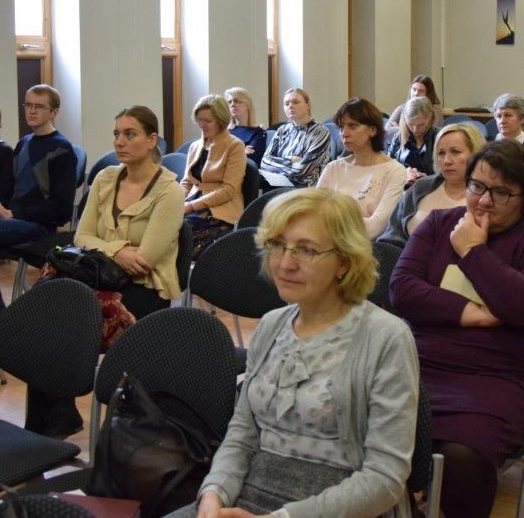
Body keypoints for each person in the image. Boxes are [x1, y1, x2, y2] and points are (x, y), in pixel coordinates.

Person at [180, 188, 419, 518]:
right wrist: (214, 494)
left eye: (307, 250)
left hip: (342, 507)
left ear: (344, 261)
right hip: (249, 492)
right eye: (278, 245)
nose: (285, 263)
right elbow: (242, 436)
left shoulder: (386, 338)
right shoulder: (272, 326)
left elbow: (385, 479)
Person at [390, 141, 524, 518]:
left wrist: (472, 251)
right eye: (477, 186)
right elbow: (402, 289)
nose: (484, 201)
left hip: (506, 378)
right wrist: (469, 313)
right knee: (367, 426)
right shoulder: (439, 224)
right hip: (421, 366)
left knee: (461, 456)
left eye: (501, 192)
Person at [29, 106, 184, 438]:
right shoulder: (105, 179)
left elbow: (144, 260)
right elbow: (81, 236)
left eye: (130, 134)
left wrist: (107, 247)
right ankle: (51, 420)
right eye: (116, 134)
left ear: (152, 140)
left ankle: (63, 416)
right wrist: (118, 250)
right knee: (48, 311)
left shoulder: (170, 191)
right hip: (97, 276)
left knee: (68, 317)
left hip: (143, 287)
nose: (119, 142)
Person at [0, 85, 77, 318]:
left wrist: (14, 214)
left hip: (39, 226)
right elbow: (10, 190)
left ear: (54, 112)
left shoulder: (62, 149)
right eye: (28, 105)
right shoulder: (24, 143)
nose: (32, 111)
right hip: (13, 218)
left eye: (39, 106)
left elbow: (61, 209)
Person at [379, 122, 486, 248]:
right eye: (441, 153)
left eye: (455, 152)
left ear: (476, 154)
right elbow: (391, 236)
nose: (447, 161)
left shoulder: (486, 198)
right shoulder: (421, 187)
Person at [317, 98, 406, 240]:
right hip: (326, 243)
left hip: (365, 248)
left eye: (352, 126)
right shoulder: (333, 168)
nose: (344, 133)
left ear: (372, 130)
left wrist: (329, 223)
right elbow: (314, 214)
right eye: (341, 127)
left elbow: (375, 227)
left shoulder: (394, 171)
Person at [182, 94, 247, 257]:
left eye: (207, 121)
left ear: (221, 120)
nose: (202, 125)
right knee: (160, 221)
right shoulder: (195, 146)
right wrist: (175, 201)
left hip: (221, 208)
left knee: (180, 230)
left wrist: (190, 206)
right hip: (193, 201)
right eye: (199, 120)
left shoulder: (235, 146)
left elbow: (228, 190)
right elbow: (187, 182)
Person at [260, 87, 330, 188]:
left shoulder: (321, 132)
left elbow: (302, 171)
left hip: (307, 189)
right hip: (278, 185)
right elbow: (264, 162)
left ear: (308, 105)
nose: (290, 106)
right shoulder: (282, 130)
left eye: (295, 102)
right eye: (286, 104)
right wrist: (291, 160)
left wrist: (276, 165)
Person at [385, 96, 439, 187]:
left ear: (430, 119)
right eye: (411, 124)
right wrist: (403, 174)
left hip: (431, 188)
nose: (415, 129)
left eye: (421, 125)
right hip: (402, 188)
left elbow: (448, 173)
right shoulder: (399, 137)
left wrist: (427, 178)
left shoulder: (440, 137)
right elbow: (388, 167)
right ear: (405, 120)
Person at [492, 92, 524, 178]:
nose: (502, 121)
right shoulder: (486, 142)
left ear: (522, 119)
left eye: (508, 115)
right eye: (499, 116)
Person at [225, 86, 267, 166]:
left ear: (248, 105)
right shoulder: (224, 131)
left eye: (237, 101)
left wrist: (226, 151)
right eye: (230, 102)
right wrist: (241, 151)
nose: (232, 104)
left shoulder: (259, 133)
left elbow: (249, 161)